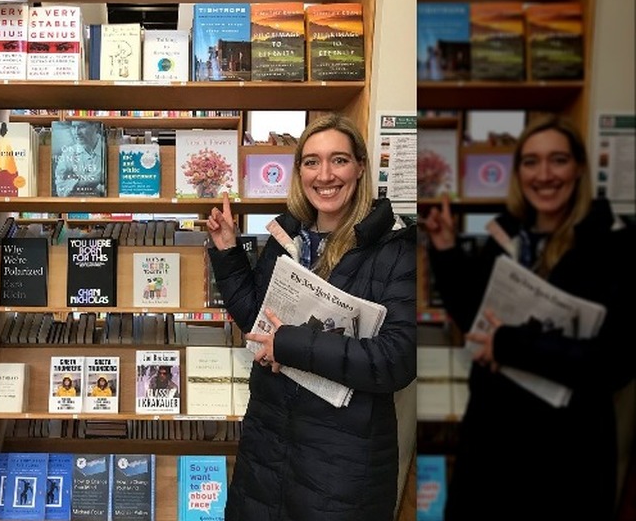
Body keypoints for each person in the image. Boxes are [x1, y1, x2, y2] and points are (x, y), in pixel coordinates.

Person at [422, 115, 635, 521]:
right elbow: (475, 319)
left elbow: (615, 362)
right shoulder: (507, 233)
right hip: (494, 437)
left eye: (557, 160)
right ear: (518, 171)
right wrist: (446, 251)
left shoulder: (616, 246)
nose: (544, 175)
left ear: (579, 168)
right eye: (531, 162)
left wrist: (511, 345)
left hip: (567, 451)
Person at [206, 113, 416, 521]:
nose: (325, 175)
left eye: (338, 160)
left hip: (341, 463)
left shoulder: (396, 248)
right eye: (311, 161)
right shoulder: (289, 235)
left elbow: (397, 360)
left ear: (359, 167)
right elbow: (258, 324)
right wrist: (228, 252)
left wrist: (289, 344)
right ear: (299, 170)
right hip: (268, 446)